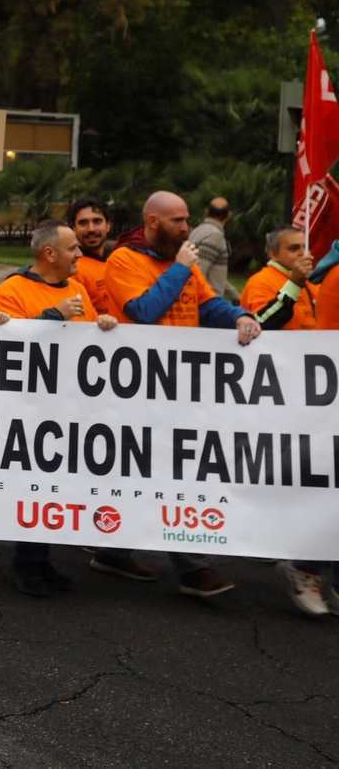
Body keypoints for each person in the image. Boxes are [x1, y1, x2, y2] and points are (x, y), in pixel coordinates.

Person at [97, 190, 261, 596]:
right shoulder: (124, 260)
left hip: (180, 390)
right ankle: (179, 565)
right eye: (178, 221)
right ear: (152, 222)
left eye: (187, 219)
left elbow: (208, 305)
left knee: (179, 474)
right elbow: (143, 312)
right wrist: (180, 270)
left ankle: (149, 558)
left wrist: (240, 315)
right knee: (145, 474)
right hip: (137, 392)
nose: (187, 228)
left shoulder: (181, 260)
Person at [0, 221, 119, 596]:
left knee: (54, 487)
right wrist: (54, 316)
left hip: (70, 406)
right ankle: (25, 563)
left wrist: (104, 326)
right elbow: (7, 342)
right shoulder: (12, 290)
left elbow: (91, 337)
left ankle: (40, 559)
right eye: (73, 248)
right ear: (50, 254)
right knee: (33, 485)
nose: (80, 254)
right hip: (28, 409)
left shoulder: (77, 289)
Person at [238, 226, 319, 330]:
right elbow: (260, 324)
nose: (303, 253)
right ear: (274, 254)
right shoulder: (260, 281)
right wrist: (295, 284)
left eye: (306, 247)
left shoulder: (314, 282)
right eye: (294, 248)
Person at [68, 198, 114, 315]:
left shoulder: (120, 262)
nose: (91, 229)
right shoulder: (70, 269)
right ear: (74, 228)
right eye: (83, 223)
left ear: (108, 225)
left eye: (97, 221)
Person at [188, 197, 237, 304]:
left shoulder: (197, 231)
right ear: (229, 215)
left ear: (207, 211)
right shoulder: (215, 236)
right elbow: (199, 272)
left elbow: (215, 274)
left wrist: (235, 295)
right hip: (208, 302)